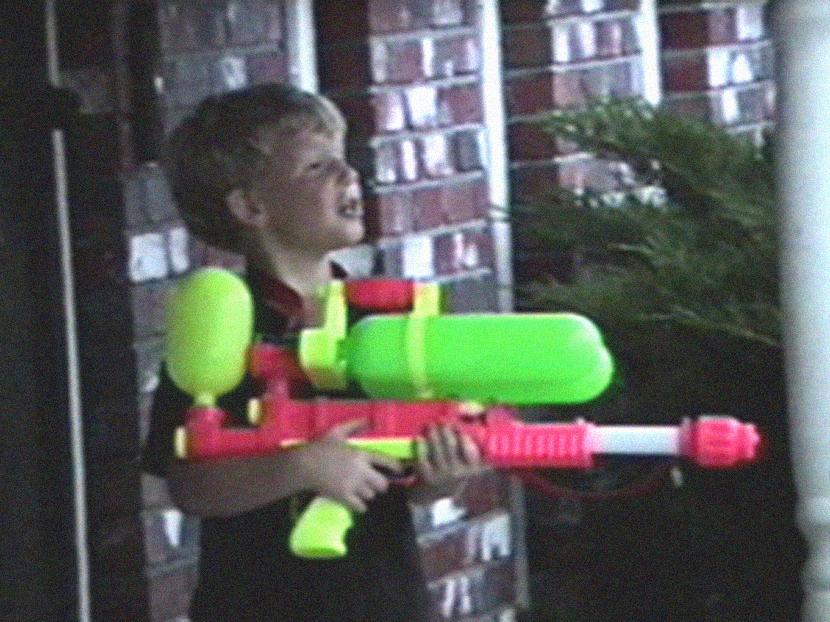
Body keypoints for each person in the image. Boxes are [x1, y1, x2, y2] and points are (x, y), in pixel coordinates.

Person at [141, 83, 484, 622]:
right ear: (250, 206)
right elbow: (191, 485)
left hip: (385, 601)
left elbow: (412, 484)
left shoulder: (385, 320)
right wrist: (303, 466)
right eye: (318, 167)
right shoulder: (223, 324)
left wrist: (444, 474)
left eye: (343, 160)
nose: (350, 176)